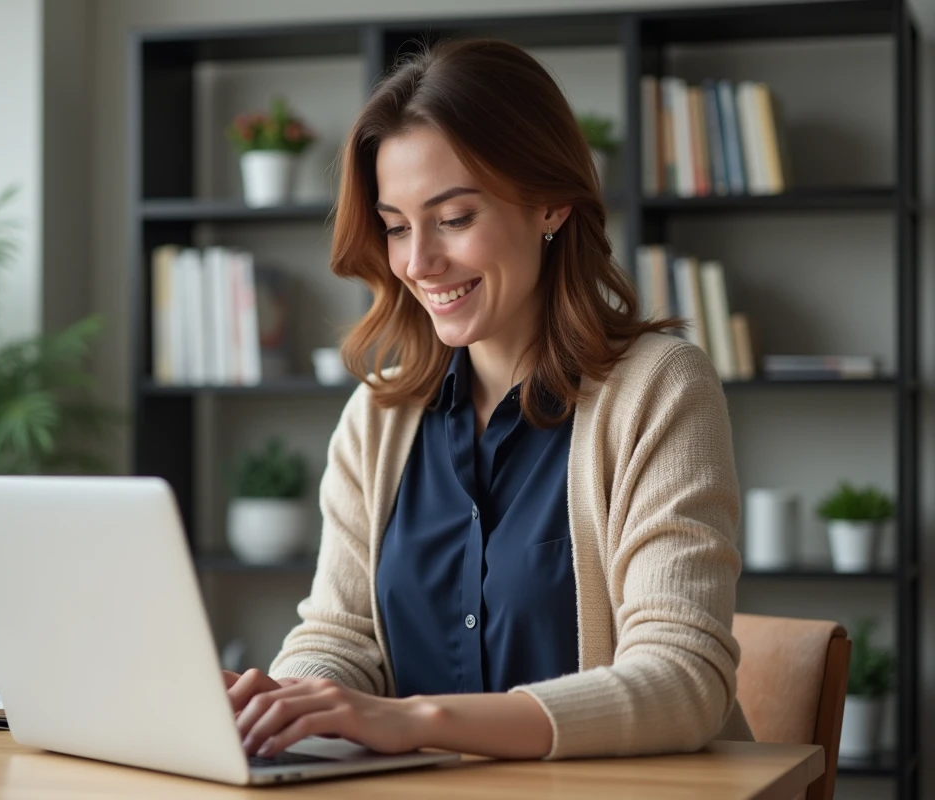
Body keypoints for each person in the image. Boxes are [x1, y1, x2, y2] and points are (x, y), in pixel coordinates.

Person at [223, 37, 754, 761]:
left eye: (454, 218)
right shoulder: (376, 419)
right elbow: (340, 637)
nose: (418, 262)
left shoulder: (660, 389)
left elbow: (683, 682)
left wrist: (417, 720)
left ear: (550, 203)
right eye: (396, 226)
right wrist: (287, 704)